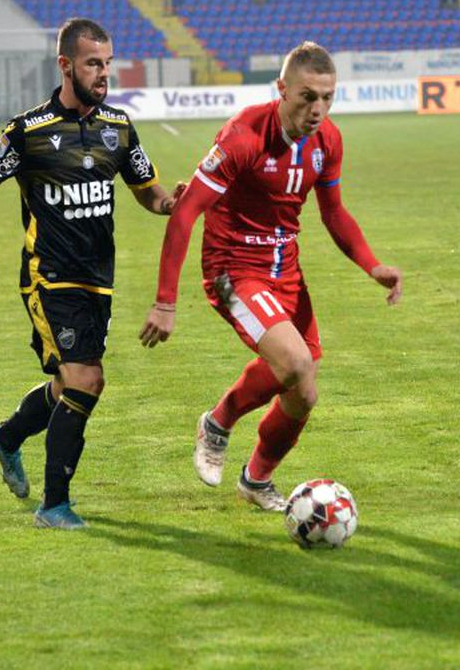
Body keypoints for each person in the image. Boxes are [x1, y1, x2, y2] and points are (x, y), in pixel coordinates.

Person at [0, 18, 182, 530]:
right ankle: (55, 506)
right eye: (94, 63)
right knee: (85, 379)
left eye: (108, 63)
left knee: (67, 384)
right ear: (66, 65)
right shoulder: (27, 132)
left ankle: (6, 438)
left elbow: (148, 190)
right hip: (48, 278)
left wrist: (170, 203)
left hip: (99, 278)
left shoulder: (119, 127)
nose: (104, 73)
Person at [138, 41, 403, 512]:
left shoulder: (328, 142)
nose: (318, 108)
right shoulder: (243, 136)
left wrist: (371, 264)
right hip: (231, 271)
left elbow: (334, 213)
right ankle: (218, 422)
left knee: (304, 393)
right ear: (282, 89)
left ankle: (256, 479)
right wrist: (165, 301)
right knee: (296, 363)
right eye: (307, 96)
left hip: (285, 271)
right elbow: (186, 215)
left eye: (327, 97)